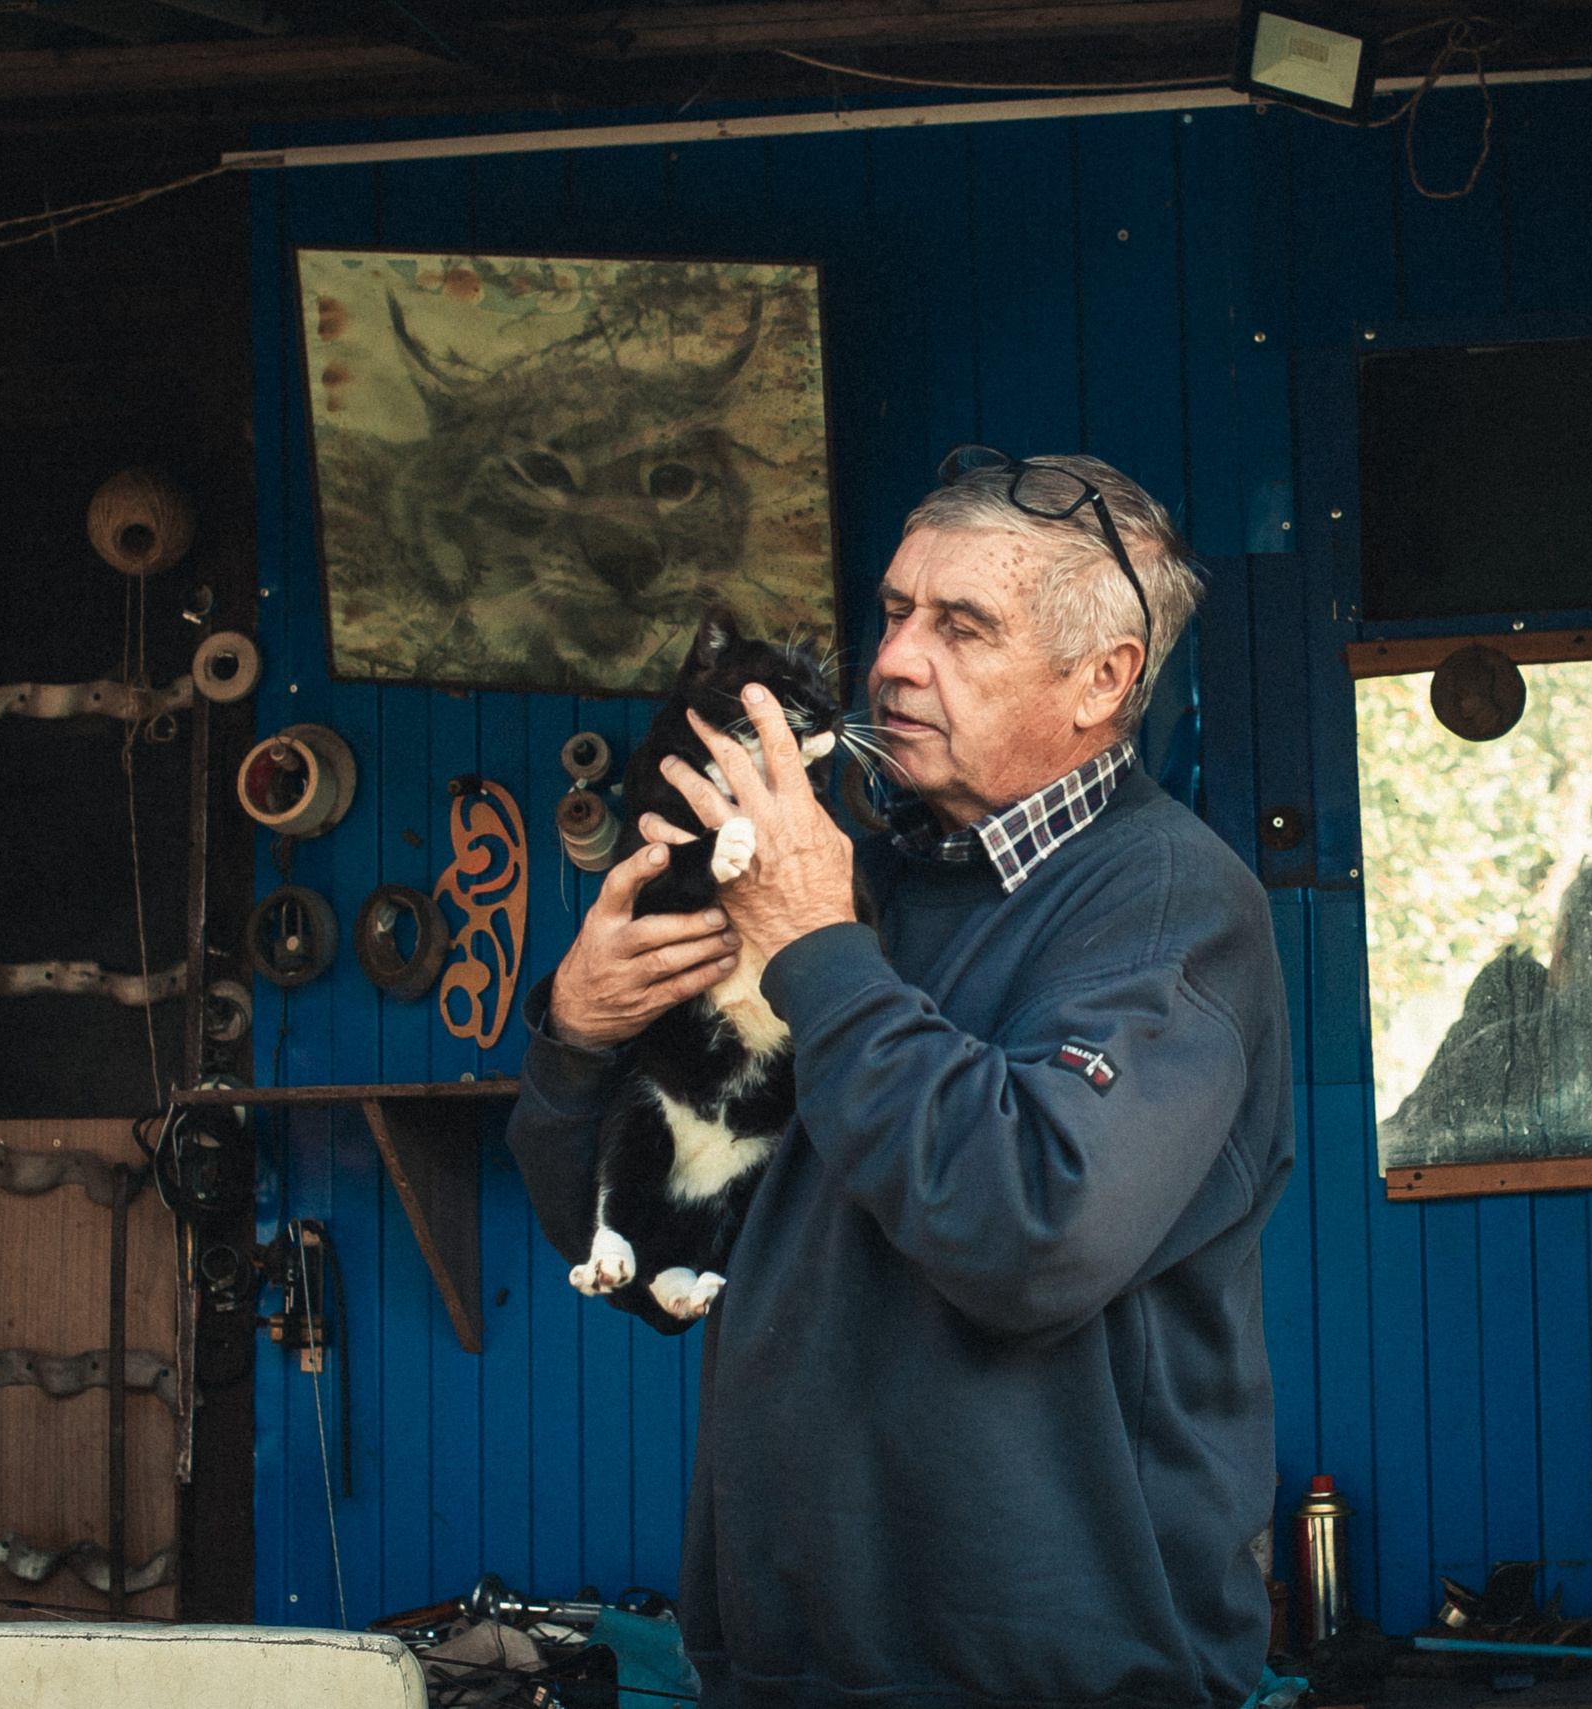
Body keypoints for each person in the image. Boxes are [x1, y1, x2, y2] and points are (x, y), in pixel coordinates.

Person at [504, 448, 1296, 1709]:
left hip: (1056, 1682)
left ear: (1105, 679)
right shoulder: (851, 885)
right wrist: (579, 1034)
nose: (894, 660)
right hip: (783, 1671)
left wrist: (815, 945)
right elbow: (658, 1265)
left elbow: (1030, 1230)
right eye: (895, 611)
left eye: (962, 626)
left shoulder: (1167, 904)